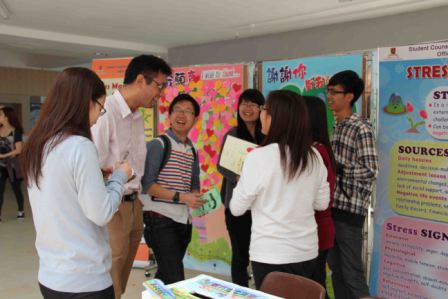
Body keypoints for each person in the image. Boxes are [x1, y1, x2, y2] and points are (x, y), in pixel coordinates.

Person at [21, 67, 133, 299]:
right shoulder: (80, 146)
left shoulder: (39, 144)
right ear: (85, 102)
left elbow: (62, 188)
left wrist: (95, 174)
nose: (97, 118)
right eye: (100, 108)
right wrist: (120, 177)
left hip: (51, 276)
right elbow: (101, 213)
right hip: (85, 280)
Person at [230, 90, 330, 289]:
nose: (261, 114)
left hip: (271, 254)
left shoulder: (259, 157)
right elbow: (322, 204)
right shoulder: (314, 156)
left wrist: (244, 183)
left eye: (264, 109)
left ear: (276, 117)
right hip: (307, 252)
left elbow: (236, 208)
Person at [91, 55, 172, 299]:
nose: (161, 94)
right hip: (113, 206)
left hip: (134, 203)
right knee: (109, 273)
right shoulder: (106, 113)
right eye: (159, 86)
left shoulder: (137, 116)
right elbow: (92, 165)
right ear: (140, 80)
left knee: (122, 274)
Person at [141, 93, 206, 284]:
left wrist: (196, 196)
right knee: (176, 278)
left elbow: (194, 184)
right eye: (177, 110)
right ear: (169, 116)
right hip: (160, 219)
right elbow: (148, 185)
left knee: (166, 276)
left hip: (183, 220)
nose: (182, 115)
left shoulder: (192, 149)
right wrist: (182, 198)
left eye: (188, 112)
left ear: (195, 118)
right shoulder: (158, 144)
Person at [326, 70, 379, 299]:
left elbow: (371, 170)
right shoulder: (337, 125)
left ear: (349, 96)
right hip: (332, 208)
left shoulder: (361, 128)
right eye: (328, 91)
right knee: (337, 270)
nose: (329, 96)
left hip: (349, 211)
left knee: (351, 272)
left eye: (334, 92)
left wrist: (339, 167)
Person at [217, 89, 265, 287]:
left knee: (261, 255)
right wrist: (241, 177)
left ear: (262, 109)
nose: (247, 108)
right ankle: (241, 291)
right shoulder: (233, 133)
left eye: (253, 104)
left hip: (262, 206)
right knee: (240, 256)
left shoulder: (268, 134)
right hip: (237, 205)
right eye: (244, 103)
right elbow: (222, 165)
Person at [304, 96, 336, 298]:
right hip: (319, 229)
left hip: (315, 229)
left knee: (313, 287)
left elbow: (316, 199)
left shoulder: (314, 152)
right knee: (316, 284)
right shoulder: (320, 148)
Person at [0, 106, 25, 221]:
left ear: (6, 117)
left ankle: (21, 210)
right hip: (1, 166)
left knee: (16, 189)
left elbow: (19, 149)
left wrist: (4, 156)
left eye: (0, 115)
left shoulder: (16, 131)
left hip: (13, 166)